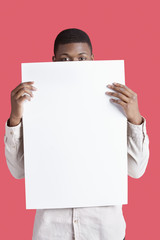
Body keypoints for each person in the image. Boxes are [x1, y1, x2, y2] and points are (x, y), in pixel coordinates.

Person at [4, 28, 149, 240]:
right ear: (53, 61)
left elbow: (136, 170)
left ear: (92, 59)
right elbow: (18, 171)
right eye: (65, 59)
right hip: (52, 231)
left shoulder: (117, 102)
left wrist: (134, 118)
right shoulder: (34, 104)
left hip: (104, 230)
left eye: (81, 58)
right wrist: (15, 118)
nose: (73, 65)